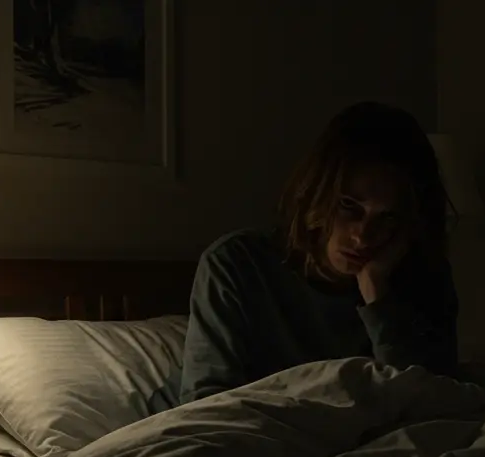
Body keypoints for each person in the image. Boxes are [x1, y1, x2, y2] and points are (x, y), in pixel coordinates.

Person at [179, 101, 460, 405]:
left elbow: (432, 400)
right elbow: (206, 405)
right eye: (349, 205)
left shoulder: (423, 276)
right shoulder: (238, 266)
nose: (362, 235)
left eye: (386, 217)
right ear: (318, 192)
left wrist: (379, 299)